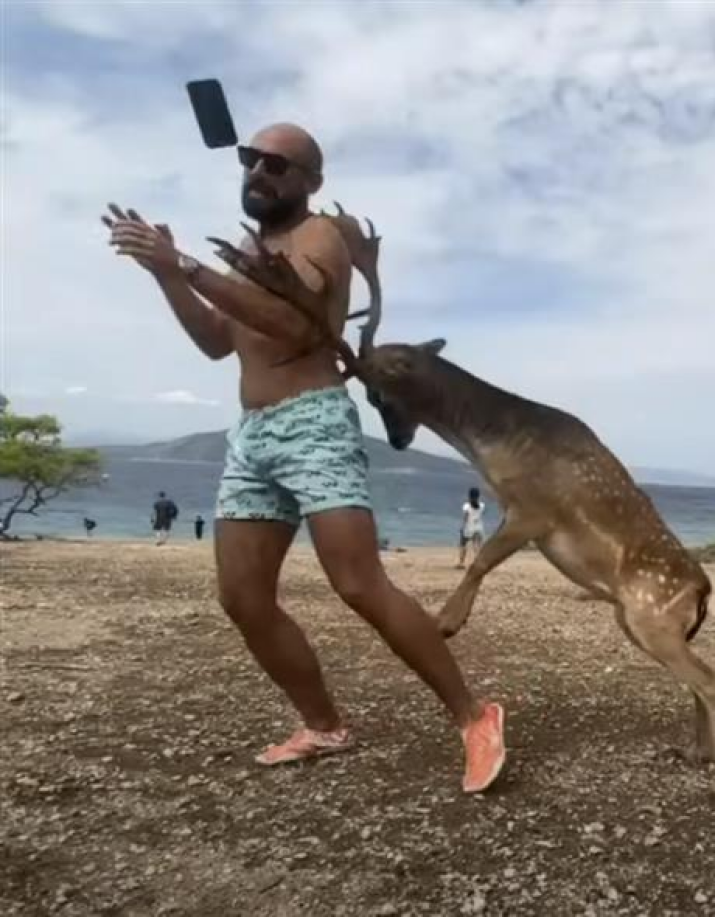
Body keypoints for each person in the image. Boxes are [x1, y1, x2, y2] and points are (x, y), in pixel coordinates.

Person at [101, 122, 505, 794]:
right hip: (254, 432)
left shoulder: (320, 238)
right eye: (250, 159)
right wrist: (164, 275)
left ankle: (473, 715)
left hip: (314, 424)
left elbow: (295, 326)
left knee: (358, 582)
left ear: (311, 181)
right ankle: (324, 723)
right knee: (242, 595)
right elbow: (214, 342)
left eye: (278, 164)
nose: (260, 171)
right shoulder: (247, 256)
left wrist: (188, 266)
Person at [458, 487, 485, 569]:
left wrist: (462, 527)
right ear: (478, 496)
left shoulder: (466, 506)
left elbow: (465, 517)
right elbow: (481, 514)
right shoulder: (482, 505)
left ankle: (461, 563)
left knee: (463, 545)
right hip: (479, 527)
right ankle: (478, 562)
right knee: (477, 546)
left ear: (469, 496)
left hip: (468, 527)